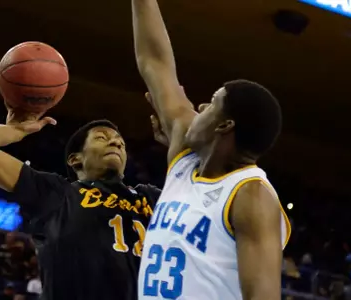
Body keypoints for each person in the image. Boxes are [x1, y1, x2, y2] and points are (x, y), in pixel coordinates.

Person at [131, 0, 291, 299]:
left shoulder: (251, 196)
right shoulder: (185, 157)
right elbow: (155, 63)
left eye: (212, 103)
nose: (200, 107)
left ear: (223, 126)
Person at [0, 106, 162, 300]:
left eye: (121, 142)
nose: (116, 142)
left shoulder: (149, 197)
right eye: (101, 138)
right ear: (75, 159)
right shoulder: (57, 193)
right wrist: (13, 132)